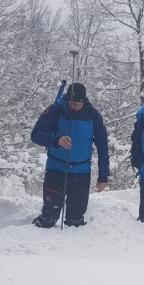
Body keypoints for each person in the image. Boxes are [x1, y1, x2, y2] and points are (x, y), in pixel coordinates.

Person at [30, 83, 110, 228]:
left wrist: (103, 175)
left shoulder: (93, 115)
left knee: (76, 221)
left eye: (78, 104)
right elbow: (36, 135)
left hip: (81, 173)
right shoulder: (55, 110)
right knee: (49, 218)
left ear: (84, 101)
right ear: (67, 99)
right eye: (72, 103)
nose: (75, 107)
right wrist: (56, 140)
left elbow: (103, 145)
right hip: (56, 169)